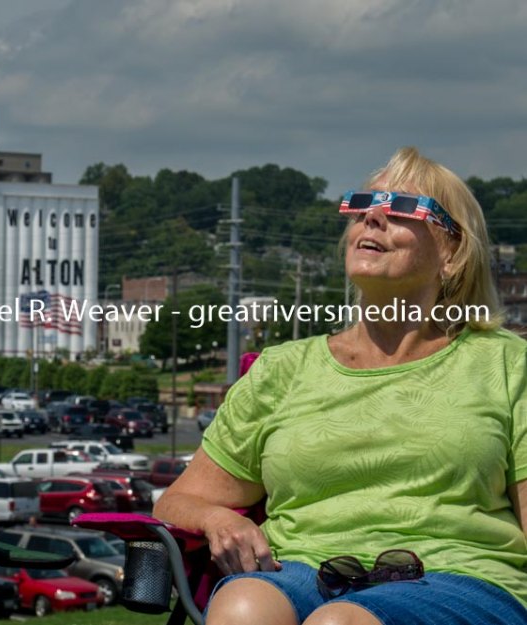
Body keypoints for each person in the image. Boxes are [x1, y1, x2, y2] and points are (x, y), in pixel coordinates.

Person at [155, 147, 527, 625]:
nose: (373, 216)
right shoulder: (282, 369)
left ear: (451, 253)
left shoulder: (505, 363)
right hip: (302, 569)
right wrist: (220, 519)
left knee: (340, 623)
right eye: (364, 204)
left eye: (402, 208)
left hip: (460, 578)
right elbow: (180, 499)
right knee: (243, 605)